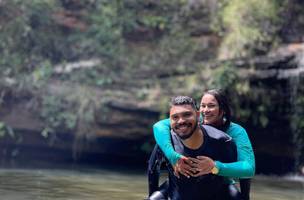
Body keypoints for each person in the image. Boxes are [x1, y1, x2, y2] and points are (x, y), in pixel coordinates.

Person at [152, 89, 255, 199]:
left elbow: (248, 168)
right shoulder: (192, 120)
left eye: (211, 106)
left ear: (223, 109)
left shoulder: (236, 132)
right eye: (203, 106)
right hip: (184, 182)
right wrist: (173, 157)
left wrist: (215, 167)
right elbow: (159, 126)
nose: (206, 110)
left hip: (221, 183)